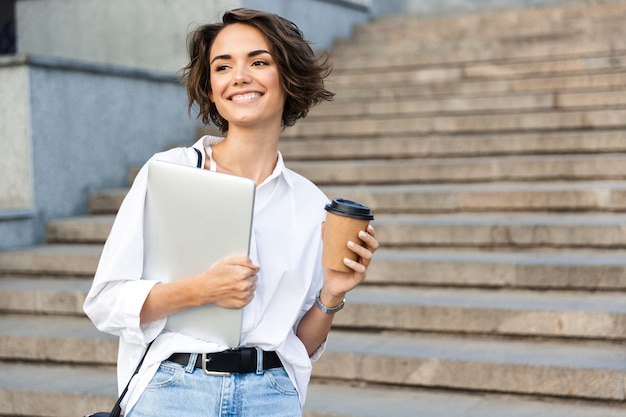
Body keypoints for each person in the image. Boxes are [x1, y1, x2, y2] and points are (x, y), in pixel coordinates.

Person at [83, 8, 379, 417]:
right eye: (223, 66)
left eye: (258, 62)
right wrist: (200, 290)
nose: (239, 76)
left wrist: (331, 294)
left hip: (272, 395)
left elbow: (301, 346)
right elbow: (105, 302)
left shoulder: (311, 204)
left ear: (287, 77)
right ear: (211, 85)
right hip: (174, 391)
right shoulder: (169, 172)